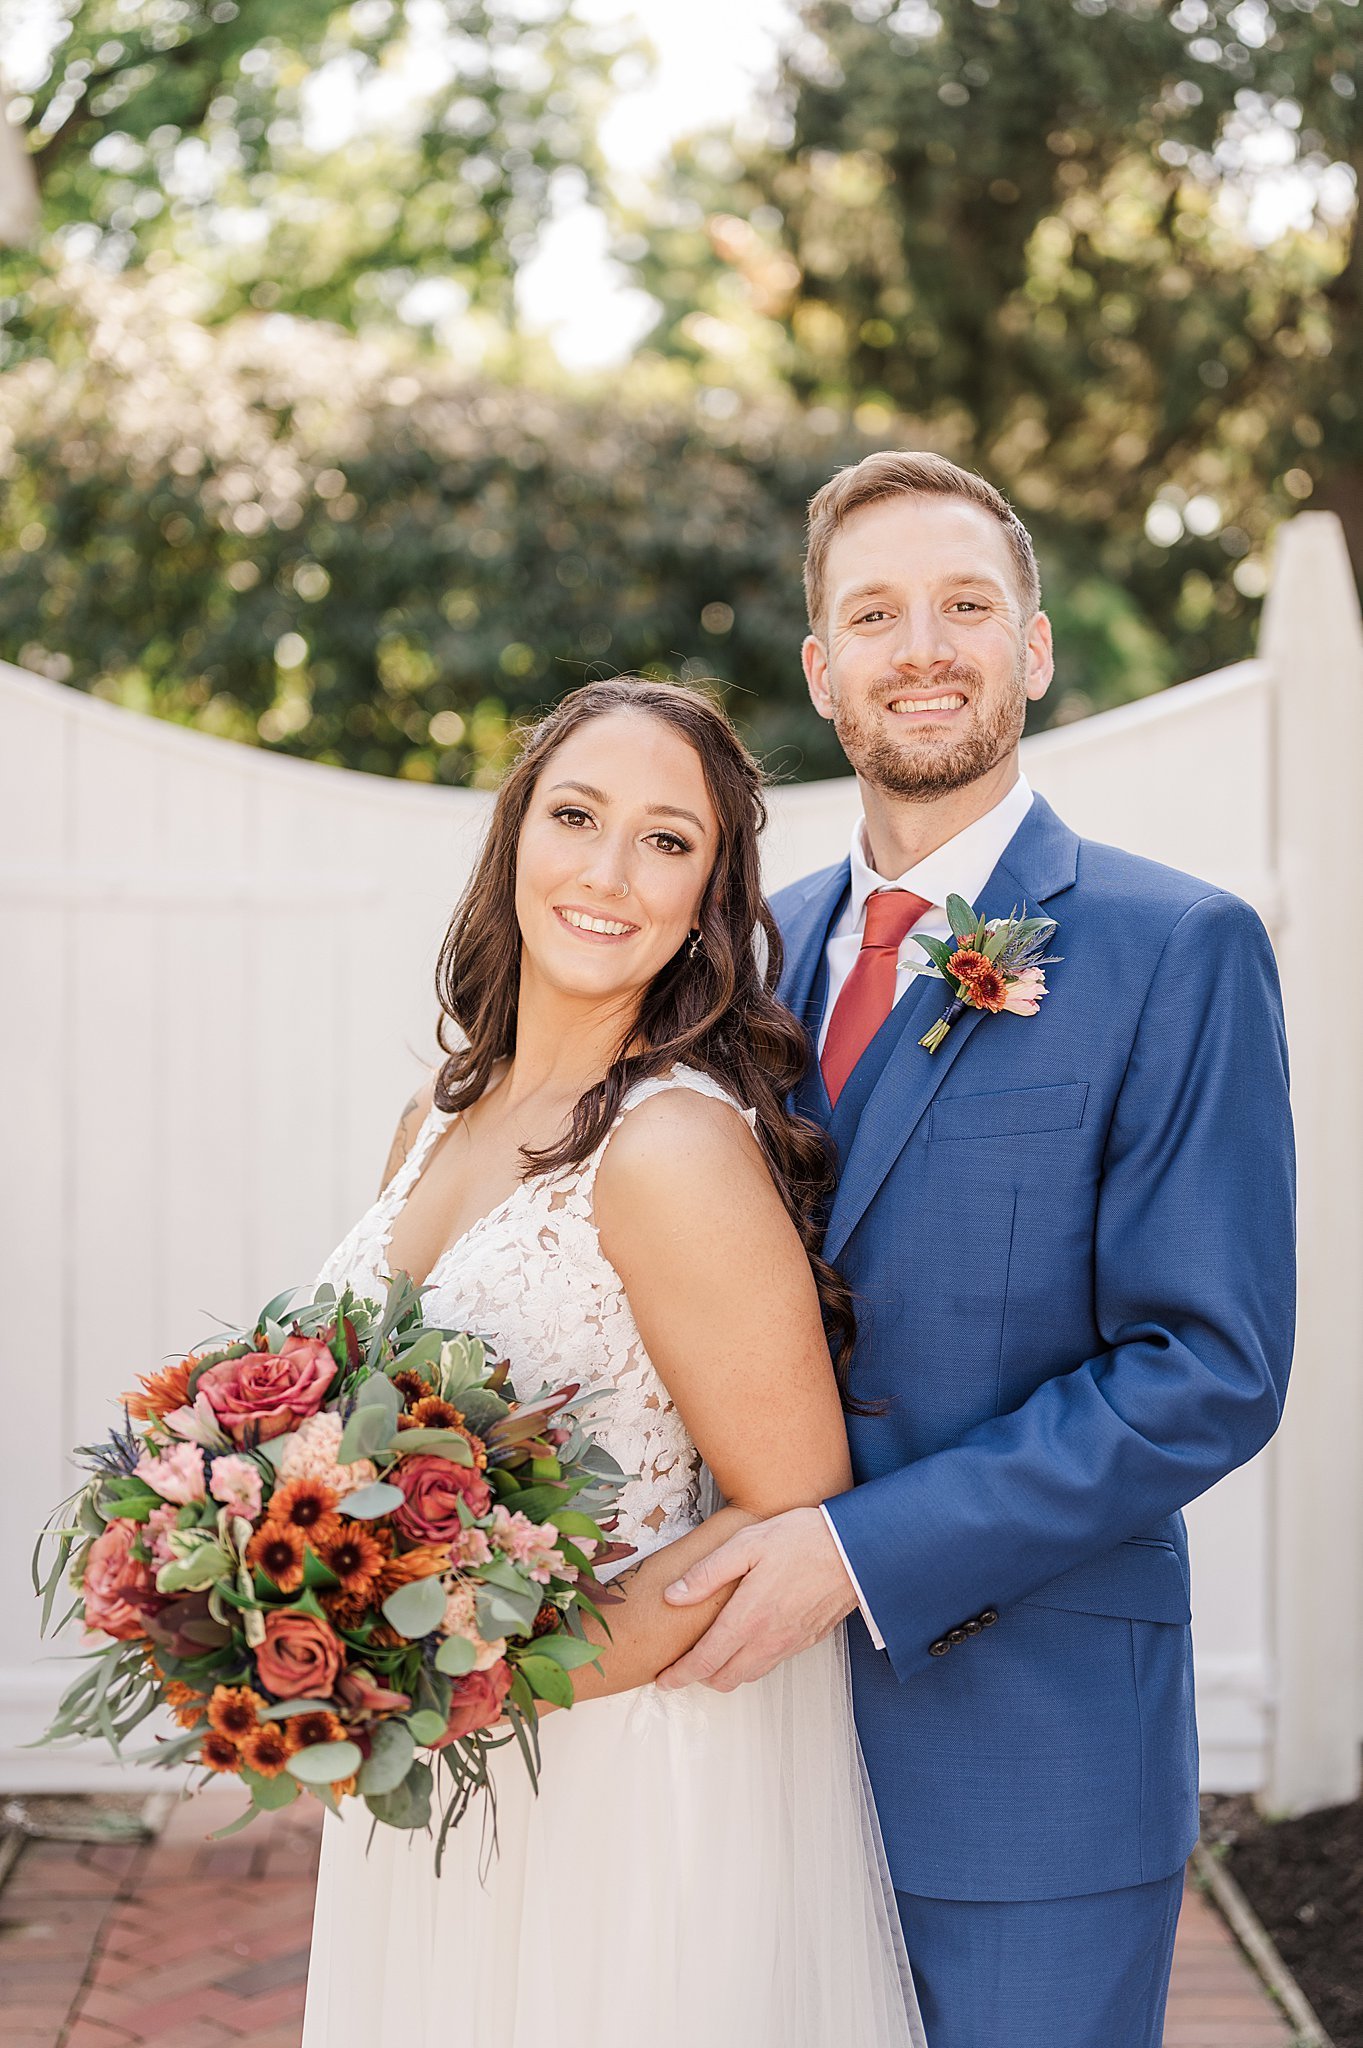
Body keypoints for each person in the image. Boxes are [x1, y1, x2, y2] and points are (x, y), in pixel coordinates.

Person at [660, 451, 1297, 2048]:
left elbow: (1204, 1373)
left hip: (1034, 1766)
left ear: (1035, 645)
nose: (921, 646)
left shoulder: (1177, 950)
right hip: (748, 1747)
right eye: (875, 613)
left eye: (966, 605)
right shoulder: (744, 957)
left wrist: (861, 1555)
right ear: (823, 670)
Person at [300, 677, 925, 2048]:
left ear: (711, 896)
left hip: (613, 1785)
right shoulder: (434, 1110)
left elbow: (790, 1509)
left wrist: (468, 1679)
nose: (605, 872)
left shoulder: (673, 1147)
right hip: (436, 1771)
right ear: (515, 836)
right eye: (577, 815)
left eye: (666, 841)